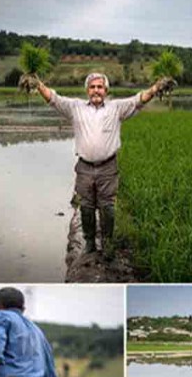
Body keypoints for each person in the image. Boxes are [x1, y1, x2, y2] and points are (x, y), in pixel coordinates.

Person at [27, 72, 175, 257]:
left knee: (108, 208)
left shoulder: (116, 108)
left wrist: (156, 87)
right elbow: (54, 99)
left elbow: (139, 100)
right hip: (85, 167)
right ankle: (89, 242)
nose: (96, 90)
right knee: (86, 207)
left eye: (99, 87)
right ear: (87, 90)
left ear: (106, 90)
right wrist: (38, 84)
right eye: (92, 87)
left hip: (108, 167)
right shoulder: (75, 107)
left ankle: (107, 242)